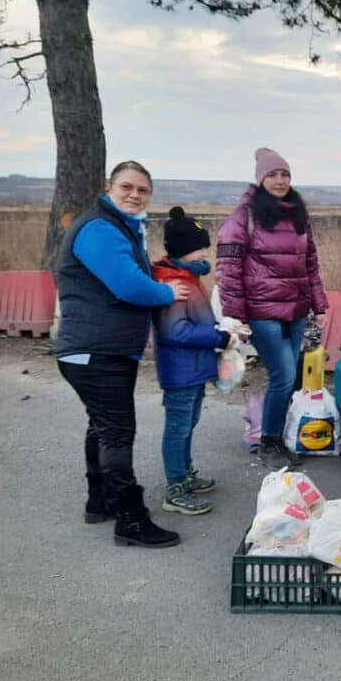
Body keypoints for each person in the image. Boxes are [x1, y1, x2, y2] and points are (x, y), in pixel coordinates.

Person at [55, 160, 186, 548]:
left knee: (102, 427)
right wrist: (167, 293)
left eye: (142, 190)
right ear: (109, 187)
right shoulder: (99, 228)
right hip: (96, 351)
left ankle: (100, 502)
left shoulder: (118, 227)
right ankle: (130, 518)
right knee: (117, 432)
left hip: (98, 350)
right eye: (126, 187)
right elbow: (128, 285)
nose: (134, 195)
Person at [216, 147, 329, 470]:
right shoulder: (245, 216)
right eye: (273, 175)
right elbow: (228, 267)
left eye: (285, 175)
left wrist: (319, 304)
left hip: (295, 311)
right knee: (284, 375)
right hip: (262, 311)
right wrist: (235, 314)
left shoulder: (297, 214)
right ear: (261, 178)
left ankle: (275, 435)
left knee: (287, 378)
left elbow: (310, 263)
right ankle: (269, 442)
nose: (280, 181)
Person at [152, 207, 244, 516]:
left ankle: (185, 474)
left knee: (188, 423)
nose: (205, 252)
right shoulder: (173, 283)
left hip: (193, 368)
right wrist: (217, 338)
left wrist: (224, 330)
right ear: (181, 250)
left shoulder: (189, 277)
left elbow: (197, 321)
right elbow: (175, 331)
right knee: (178, 427)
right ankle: (176, 487)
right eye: (198, 247)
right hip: (181, 371)